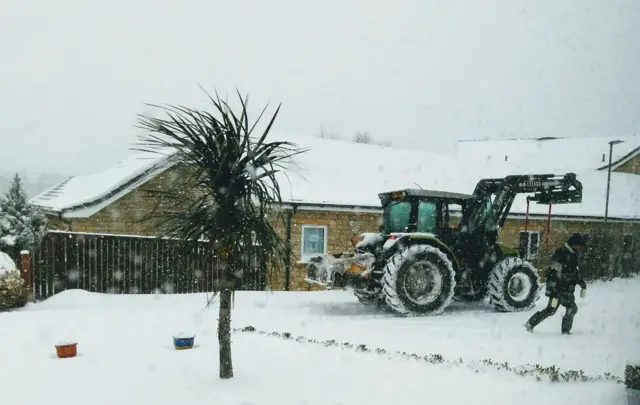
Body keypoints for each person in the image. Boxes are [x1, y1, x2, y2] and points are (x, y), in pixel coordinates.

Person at [525, 232, 588, 335]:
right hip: (560, 288)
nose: (581, 249)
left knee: (551, 310)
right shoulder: (561, 254)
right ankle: (565, 332)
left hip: (567, 288)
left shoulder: (573, 255)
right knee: (572, 308)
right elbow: (552, 273)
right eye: (580, 246)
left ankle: (531, 323)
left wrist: (580, 282)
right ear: (574, 244)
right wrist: (552, 290)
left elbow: (573, 272)